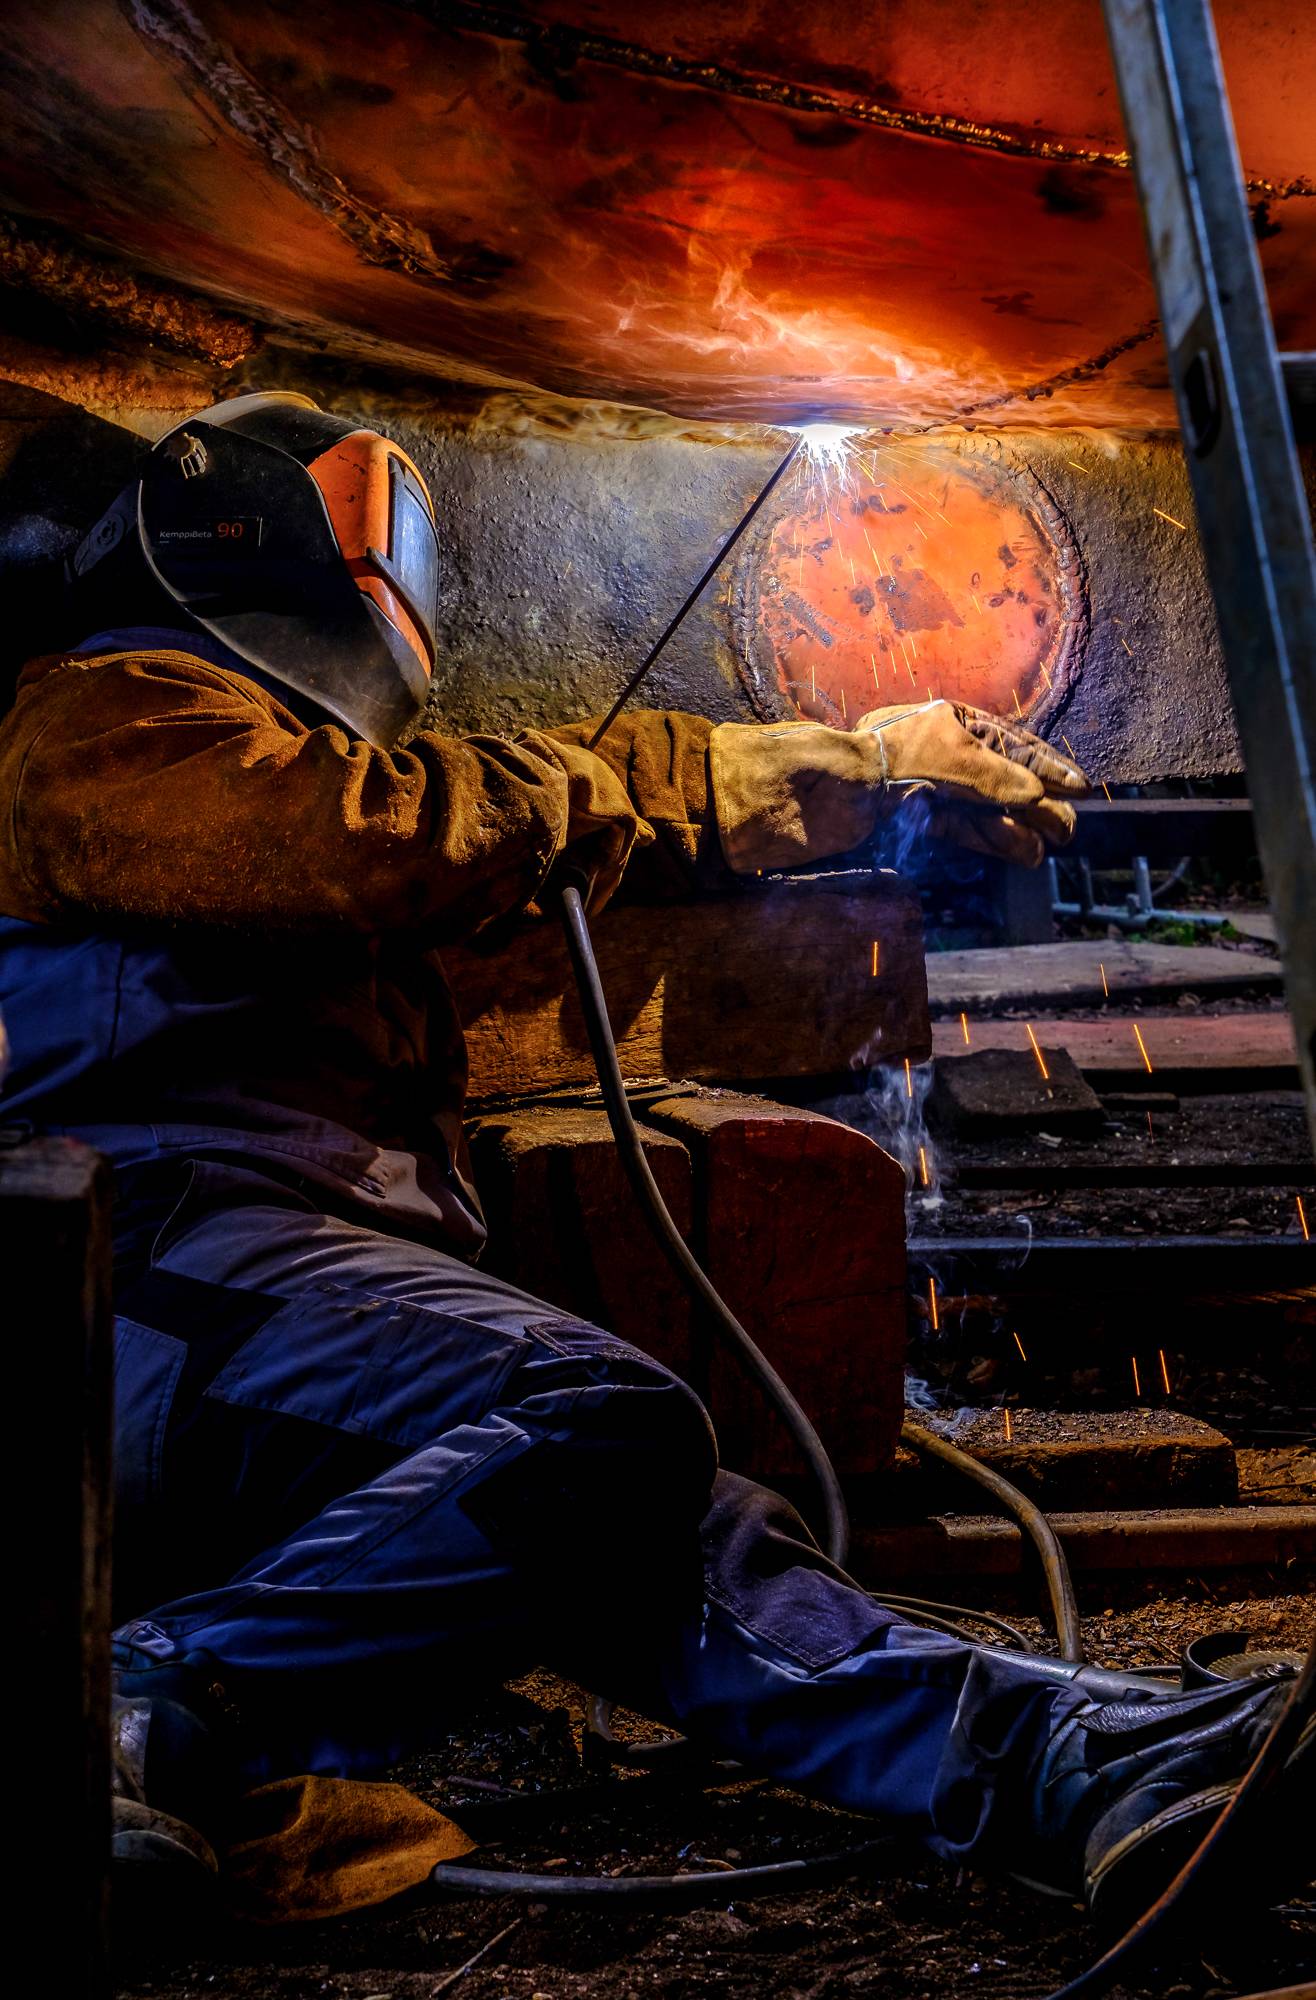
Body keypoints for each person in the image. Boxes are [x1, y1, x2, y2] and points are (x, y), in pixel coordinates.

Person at [0, 392, 1303, 1931]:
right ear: (236, 529)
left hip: (261, 1323)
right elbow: (368, 839)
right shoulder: (97, 713)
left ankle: (1059, 1759)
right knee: (599, 1418)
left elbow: (478, 817)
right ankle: (127, 1709)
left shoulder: (263, 753)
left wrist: (822, 773)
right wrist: (679, 779)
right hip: (147, 1291)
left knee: (667, 1536)